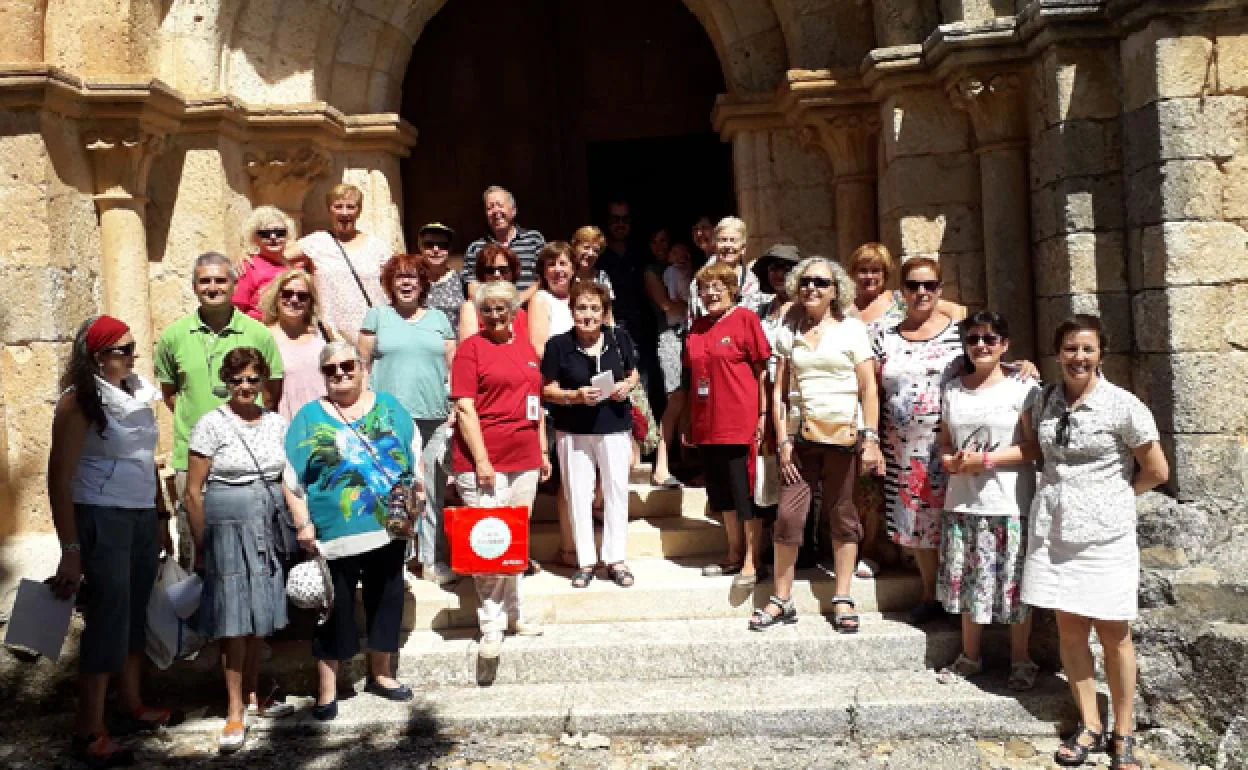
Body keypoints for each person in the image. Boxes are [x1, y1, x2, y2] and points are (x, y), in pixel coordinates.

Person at [1021, 315, 1168, 770]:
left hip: (1105, 534)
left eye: (1086, 348)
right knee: (1071, 632)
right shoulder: (1044, 399)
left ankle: (1123, 731)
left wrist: (1116, 497)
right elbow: (1035, 448)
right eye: (1069, 349)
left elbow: (1157, 471)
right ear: (1057, 353)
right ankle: (1089, 723)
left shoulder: (1123, 406)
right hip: (1056, 530)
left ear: (1101, 353)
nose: (1078, 357)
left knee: (1115, 635)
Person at [48, 316, 177, 768]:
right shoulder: (79, 402)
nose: (132, 355)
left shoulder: (135, 391)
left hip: (140, 514)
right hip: (101, 516)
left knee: (136, 608)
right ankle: (89, 728)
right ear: (98, 356)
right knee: (108, 615)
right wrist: (70, 549)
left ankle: (131, 702)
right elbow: (59, 479)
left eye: (132, 346)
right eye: (122, 349)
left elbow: (147, 460)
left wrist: (161, 516)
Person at [285, 342, 421, 720]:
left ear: (363, 368)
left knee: (387, 597)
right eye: (331, 369)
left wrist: (417, 500)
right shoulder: (309, 417)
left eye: (348, 365)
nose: (341, 373)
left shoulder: (390, 407)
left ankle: (381, 675)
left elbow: (413, 454)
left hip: (388, 524)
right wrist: (303, 523)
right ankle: (327, 688)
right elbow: (292, 478)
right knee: (333, 607)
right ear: (323, 376)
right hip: (333, 531)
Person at [185, 347, 302, 752]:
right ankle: (234, 710)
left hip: (267, 523)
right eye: (237, 380)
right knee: (233, 620)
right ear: (226, 382)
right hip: (227, 526)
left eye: (253, 379)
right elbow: (193, 493)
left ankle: (254, 695)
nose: (245, 387)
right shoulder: (209, 424)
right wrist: (202, 546)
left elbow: (288, 479)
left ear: (263, 381)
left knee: (260, 615)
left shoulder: (276, 423)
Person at [755, 258, 882, 632]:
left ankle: (842, 597)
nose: (812, 288)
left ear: (835, 290)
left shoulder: (852, 330)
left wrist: (870, 437)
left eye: (821, 283)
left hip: (843, 437)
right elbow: (779, 392)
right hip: (801, 438)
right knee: (789, 518)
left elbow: (868, 388)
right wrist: (782, 442)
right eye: (806, 281)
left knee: (843, 516)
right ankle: (782, 598)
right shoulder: (787, 330)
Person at [156, 252, 284, 569]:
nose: (213, 287)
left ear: (233, 284)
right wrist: (205, 430)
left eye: (220, 280)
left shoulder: (258, 333)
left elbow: (271, 393)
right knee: (195, 548)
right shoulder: (173, 336)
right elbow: (171, 394)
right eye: (205, 281)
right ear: (194, 286)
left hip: (246, 458)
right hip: (192, 455)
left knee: (254, 545)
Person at [935, 312, 1040, 689]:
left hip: (1009, 501)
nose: (981, 345)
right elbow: (945, 439)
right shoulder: (953, 390)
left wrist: (987, 460)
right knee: (968, 582)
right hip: (964, 501)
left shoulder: (1023, 388)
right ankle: (970, 655)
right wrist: (949, 460)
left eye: (990, 339)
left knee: (1013, 583)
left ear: (1005, 345)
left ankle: (1021, 659)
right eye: (974, 339)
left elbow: (1033, 447)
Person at [451, 281, 552, 659]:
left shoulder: (526, 349)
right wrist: (481, 460)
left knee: (515, 543)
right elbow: (464, 407)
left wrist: (542, 449)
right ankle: (490, 625)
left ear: (514, 310)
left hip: (524, 458)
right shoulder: (471, 350)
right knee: (489, 545)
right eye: (488, 309)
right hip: (485, 463)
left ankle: (515, 614)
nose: (495, 315)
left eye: (502, 308)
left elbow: (535, 402)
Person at [872, 257, 964, 624]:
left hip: (950, 446)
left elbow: (989, 361)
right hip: (902, 447)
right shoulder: (885, 337)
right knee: (919, 525)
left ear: (940, 290)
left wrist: (1022, 368)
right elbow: (870, 389)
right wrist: (871, 439)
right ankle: (931, 594)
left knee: (951, 521)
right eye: (913, 286)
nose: (921, 292)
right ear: (902, 292)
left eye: (929, 285)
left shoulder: (960, 332)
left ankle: (957, 596)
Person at [358, 253, 457, 586]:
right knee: (391, 492)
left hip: (434, 417)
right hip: (389, 420)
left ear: (423, 283)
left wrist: (455, 407)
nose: (406, 282)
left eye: (413, 276)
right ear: (389, 283)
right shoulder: (377, 317)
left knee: (432, 491)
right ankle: (395, 564)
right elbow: (362, 367)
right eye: (399, 277)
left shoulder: (440, 319)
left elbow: (452, 368)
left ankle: (431, 560)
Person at [541, 282, 640, 588]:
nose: (588, 315)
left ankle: (616, 559)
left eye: (594, 308)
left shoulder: (618, 337)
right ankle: (585, 561)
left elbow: (633, 372)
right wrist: (575, 396)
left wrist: (628, 385)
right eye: (582, 308)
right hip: (573, 429)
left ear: (603, 312)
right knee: (578, 495)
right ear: (572, 311)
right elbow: (546, 389)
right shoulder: (558, 344)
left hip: (613, 425)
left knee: (615, 491)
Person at [679, 261, 771, 583]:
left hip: (739, 424)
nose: (712, 292)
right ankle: (732, 554)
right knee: (722, 496)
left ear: (732, 289)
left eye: (719, 286)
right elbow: (690, 379)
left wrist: (763, 415)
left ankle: (752, 560)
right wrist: (689, 422)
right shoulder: (696, 328)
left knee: (744, 494)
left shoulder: (745, 320)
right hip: (707, 427)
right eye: (706, 287)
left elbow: (763, 373)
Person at [289, 183, 390, 344]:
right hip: (332, 336)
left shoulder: (377, 247)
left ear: (359, 211)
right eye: (338, 206)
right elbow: (278, 257)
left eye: (351, 207)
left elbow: (393, 282)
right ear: (329, 210)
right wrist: (247, 260)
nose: (344, 213)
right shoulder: (317, 242)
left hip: (374, 334)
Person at [645, 239, 692, 488]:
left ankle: (689, 462)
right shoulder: (659, 272)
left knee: (692, 401)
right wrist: (693, 307)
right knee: (675, 399)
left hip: (691, 336)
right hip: (672, 335)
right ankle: (661, 464)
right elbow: (666, 304)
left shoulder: (691, 271)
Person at [261, 268, 334, 422]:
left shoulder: (322, 333)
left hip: (327, 423)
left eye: (302, 296)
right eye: (287, 294)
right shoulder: (265, 337)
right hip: (287, 425)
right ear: (276, 296)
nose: (294, 300)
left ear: (310, 302)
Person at [461, 185, 546, 303]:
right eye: (490, 208)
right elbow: (472, 288)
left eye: (500, 205)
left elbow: (544, 279)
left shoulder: (534, 240)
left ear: (513, 210)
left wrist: (517, 301)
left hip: (530, 309)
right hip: (491, 313)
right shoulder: (475, 248)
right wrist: (499, 307)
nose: (496, 211)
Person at [231, 206, 310, 321]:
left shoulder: (294, 267)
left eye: (280, 233)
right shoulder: (248, 266)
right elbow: (236, 310)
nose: (273, 237)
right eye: (265, 234)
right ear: (255, 238)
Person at [688, 216, 761, 320]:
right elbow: (693, 320)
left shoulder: (751, 282)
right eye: (723, 240)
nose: (727, 245)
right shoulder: (701, 278)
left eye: (733, 240)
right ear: (715, 244)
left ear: (743, 248)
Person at [457, 243, 530, 341]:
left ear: (512, 273)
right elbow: (469, 349)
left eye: (503, 270)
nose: (496, 274)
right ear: (483, 275)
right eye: (490, 270)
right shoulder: (472, 309)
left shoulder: (522, 313)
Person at [528, 241, 576, 359]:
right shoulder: (540, 299)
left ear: (573, 269)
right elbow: (539, 348)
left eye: (562, 263)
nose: (557, 269)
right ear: (544, 272)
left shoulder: (583, 296)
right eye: (551, 264)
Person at [417, 222, 465, 329]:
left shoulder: (461, 280)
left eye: (442, 245)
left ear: (450, 249)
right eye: (429, 245)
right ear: (421, 248)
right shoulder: (414, 280)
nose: (436, 250)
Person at [570, 225, 615, 297]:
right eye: (586, 247)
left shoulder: (602, 277)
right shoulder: (566, 275)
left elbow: (608, 306)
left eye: (596, 250)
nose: (591, 253)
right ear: (575, 247)